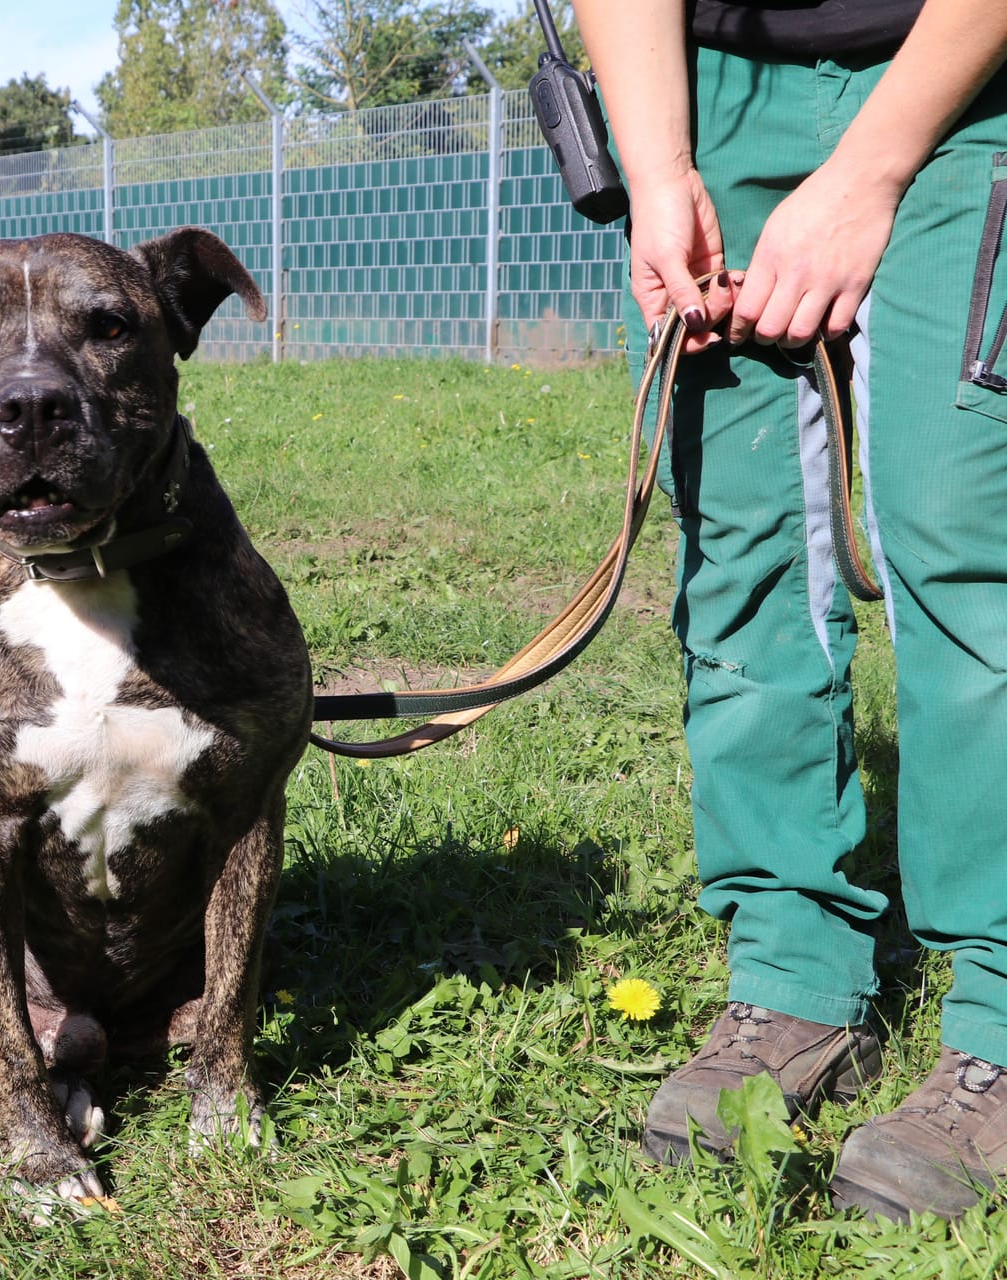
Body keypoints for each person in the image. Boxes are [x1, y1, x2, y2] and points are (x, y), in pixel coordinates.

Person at [571, 0, 1007, 1218]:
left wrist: (866, 172)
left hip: (968, 75)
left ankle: (1003, 1020)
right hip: (710, 95)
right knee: (744, 558)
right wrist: (659, 171)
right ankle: (796, 972)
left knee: (966, 542)